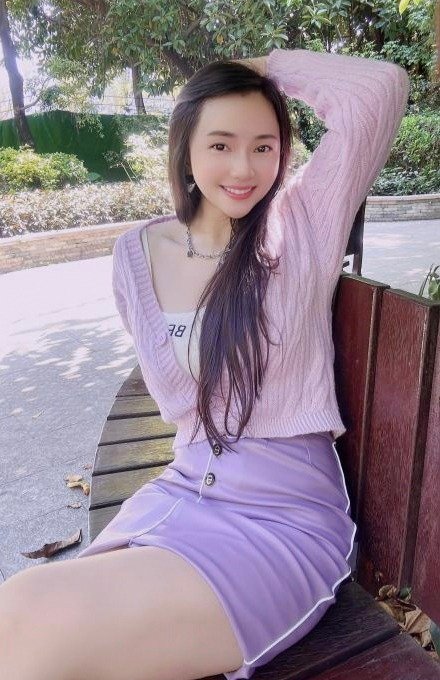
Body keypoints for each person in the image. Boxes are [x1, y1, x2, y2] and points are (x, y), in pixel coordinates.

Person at [0, 47, 410, 680]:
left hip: (281, 521)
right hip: (182, 494)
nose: (244, 168)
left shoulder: (304, 222)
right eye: (221, 144)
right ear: (185, 146)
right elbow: (184, 404)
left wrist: (262, 68)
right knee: (20, 611)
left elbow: (379, 89)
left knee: (42, 620)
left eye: (264, 147)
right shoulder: (136, 253)